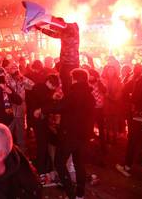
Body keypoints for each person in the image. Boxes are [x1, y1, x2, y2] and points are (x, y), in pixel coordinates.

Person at [55, 68, 95, 199]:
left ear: (75, 78)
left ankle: (71, 193)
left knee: (59, 163)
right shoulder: (89, 95)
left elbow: (60, 107)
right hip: (84, 135)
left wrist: (42, 109)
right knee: (79, 164)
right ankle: (80, 194)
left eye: (72, 78)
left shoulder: (74, 93)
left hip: (70, 134)